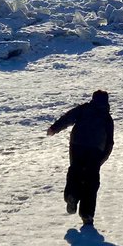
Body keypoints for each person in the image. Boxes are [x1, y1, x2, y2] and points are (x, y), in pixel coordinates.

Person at [46, 89, 114, 227]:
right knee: (91, 181)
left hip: (77, 145)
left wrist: (54, 128)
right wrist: (102, 158)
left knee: (75, 171)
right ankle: (87, 214)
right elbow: (110, 142)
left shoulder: (84, 109)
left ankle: (72, 195)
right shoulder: (107, 118)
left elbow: (68, 117)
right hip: (96, 149)